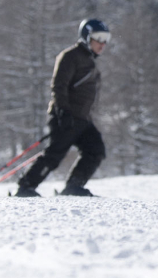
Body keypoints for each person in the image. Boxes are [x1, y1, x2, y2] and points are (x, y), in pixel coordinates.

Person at [14, 18, 111, 198]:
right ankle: (26, 187)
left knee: (96, 150)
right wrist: (62, 111)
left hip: (82, 119)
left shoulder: (90, 61)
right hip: (65, 116)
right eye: (99, 38)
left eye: (106, 38)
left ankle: (74, 187)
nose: (103, 43)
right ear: (86, 37)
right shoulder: (70, 56)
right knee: (55, 155)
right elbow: (59, 85)